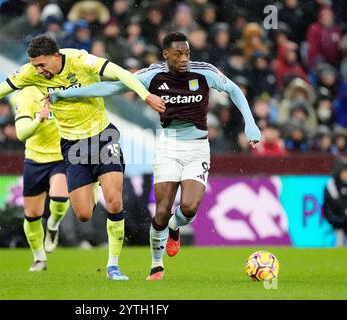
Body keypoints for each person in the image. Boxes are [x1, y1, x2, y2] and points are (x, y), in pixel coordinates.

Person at [0, 35, 165, 280]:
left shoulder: (80, 60)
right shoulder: (30, 73)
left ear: (56, 56)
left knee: (115, 202)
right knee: (83, 213)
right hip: (72, 145)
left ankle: (113, 266)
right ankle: (91, 186)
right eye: (34, 65)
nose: (38, 71)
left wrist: (145, 95)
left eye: (42, 65)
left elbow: (120, 73)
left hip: (102, 136)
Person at [46, 32, 261, 280]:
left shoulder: (204, 72)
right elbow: (112, 87)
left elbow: (233, 89)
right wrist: (65, 94)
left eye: (187, 53)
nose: (184, 59)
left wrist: (250, 124)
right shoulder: (152, 75)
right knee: (161, 210)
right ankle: (156, 266)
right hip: (168, 147)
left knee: (189, 208)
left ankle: (175, 226)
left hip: (198, 147)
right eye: (178, 54)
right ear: (166, 54)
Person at [13, 86, 70, 272]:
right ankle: (39, 258)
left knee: (60, 198)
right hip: (35, 160)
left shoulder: (66, 86)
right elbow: (21, 134)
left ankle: (53, 224)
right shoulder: (26, 95)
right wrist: (39, 119)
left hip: (61, 157)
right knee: (31, 216)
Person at [323, 157, 347, 235]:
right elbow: (336, 202)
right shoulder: (331, 184)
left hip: (343, 215)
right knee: (340, 226)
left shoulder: (344, 185)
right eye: (345, 172)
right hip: (334, 215)